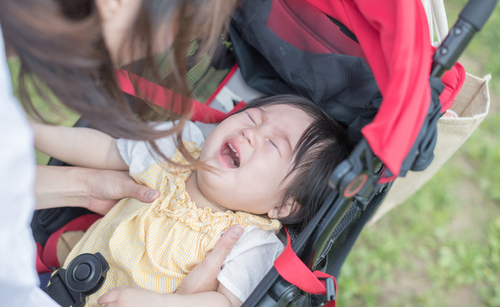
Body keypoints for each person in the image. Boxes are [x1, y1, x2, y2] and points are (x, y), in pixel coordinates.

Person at [0, 0, 246, 306]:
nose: (164, 49)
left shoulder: (249, 234)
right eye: (179, 28)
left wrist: (84, 184)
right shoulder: (179, 150)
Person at [31, 95, 351, 307]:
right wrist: (29, 131)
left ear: (283, 207)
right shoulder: (177, 147)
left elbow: (223, 303)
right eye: (251, 117)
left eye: (273, 144)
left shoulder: (253, 241)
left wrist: (159, 303)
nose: (251, 132)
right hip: (58, 286)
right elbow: (105, 150)